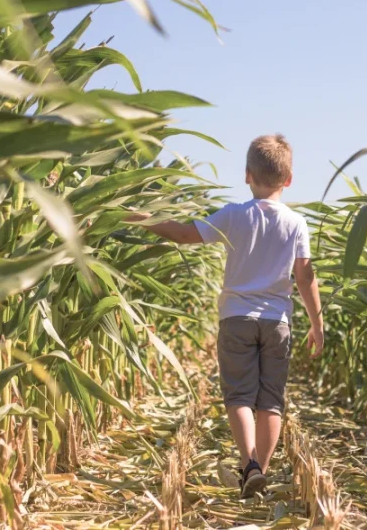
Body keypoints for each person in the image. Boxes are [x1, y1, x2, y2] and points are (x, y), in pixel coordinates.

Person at [125, 134, 324, 499]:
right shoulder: (297, 223)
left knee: (239, 397)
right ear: (289, 179)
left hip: (236, 318)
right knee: (271, 402)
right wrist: (317, 323)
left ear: (247, 175)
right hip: (277, 321)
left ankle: (249, 466)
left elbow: (184, 235)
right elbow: (305, 276)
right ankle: (258, 470)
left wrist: (141, 218)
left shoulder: (234, 215)